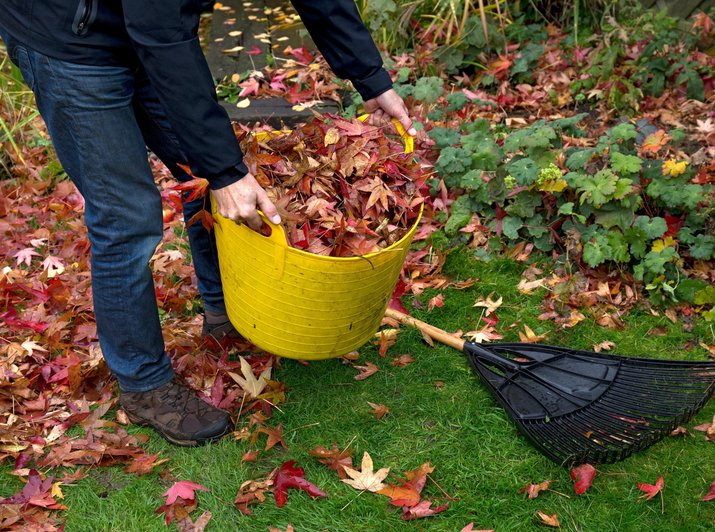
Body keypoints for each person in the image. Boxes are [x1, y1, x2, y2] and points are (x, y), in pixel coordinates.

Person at [0, 0, 415, 447]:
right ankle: (144, 384)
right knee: (127, 216)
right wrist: (224, 172)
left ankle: (225, 312)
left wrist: (369, 76)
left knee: (207, 165)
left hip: (146, 25)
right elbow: (159, 32)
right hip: (68, 38)